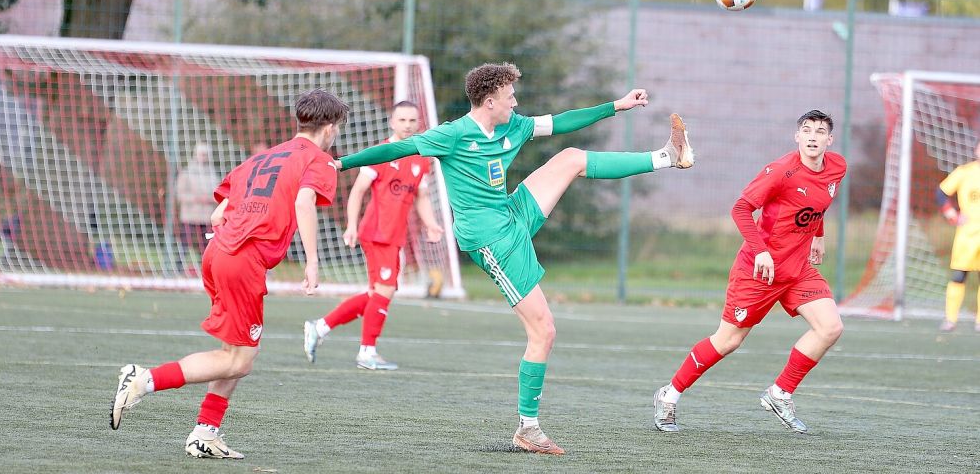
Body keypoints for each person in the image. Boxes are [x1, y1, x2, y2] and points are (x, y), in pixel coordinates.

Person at [336, 62, 695, 454]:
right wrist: (340, 163)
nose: (516, 102)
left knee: (571, 157)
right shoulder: (453, 135)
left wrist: (617, 105)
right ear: (490, 102)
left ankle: (666, 157)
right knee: (544, 330)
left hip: (511, 213)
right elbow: (396, 147)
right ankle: (528, 428)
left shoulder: (513, 125)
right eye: (510, 97)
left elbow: (562, 122)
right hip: (490, 240)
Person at [109, 89, 348, 459]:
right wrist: (312, 262)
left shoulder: (264, 156)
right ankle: (143, 379)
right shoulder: (319, 160)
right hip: (242, 260)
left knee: (235, 351)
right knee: (239, 360)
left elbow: (218, 213)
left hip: (218, 251)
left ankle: (206, 432)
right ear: (330, 128)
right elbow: (304, 202)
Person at [652, 110, 847, 435]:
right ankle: (668, 395)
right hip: (759, 271)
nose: (813, 137)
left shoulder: (837, 167)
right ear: (796, 136)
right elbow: (741, 208)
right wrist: (762, 252)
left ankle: (779, 393)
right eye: (807, 130)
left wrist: (819, 235)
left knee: (830, 327)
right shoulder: (781, 171)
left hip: (797, 269)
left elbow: (817, 204)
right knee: (728, 341)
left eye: (820, 131)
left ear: (830, 139)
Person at [303, 100, 444, 370]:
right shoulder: (382, 152)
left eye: (412, 121)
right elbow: (357, 191)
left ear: (419, 124)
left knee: (376, 293)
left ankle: (320, 328)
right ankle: (367, 352)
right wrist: (351, 225)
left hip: (394, 235)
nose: (407, 125)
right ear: (392, 122)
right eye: (402, 120)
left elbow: (422, 196)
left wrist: (430, 223)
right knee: (385, 290)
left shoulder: (421, 158)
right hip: (377, 233)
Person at [936, 140, 980, 333]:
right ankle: (950, 319)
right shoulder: (964, 172)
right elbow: (941, 193)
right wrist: (952, 215)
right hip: (968, 234)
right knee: (959, 275)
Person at [176, 142, 222, 266]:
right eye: (201, 154)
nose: (203, 157)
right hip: (189, 216)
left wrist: (209, 199)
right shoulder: (186, 172)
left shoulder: (213, 174)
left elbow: (218, 193)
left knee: (207, 243)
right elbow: (180, 195)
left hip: (207, 216)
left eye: (206, 154)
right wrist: (196, 198)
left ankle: (206, 266)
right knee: (184, 243)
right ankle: (177, 267)